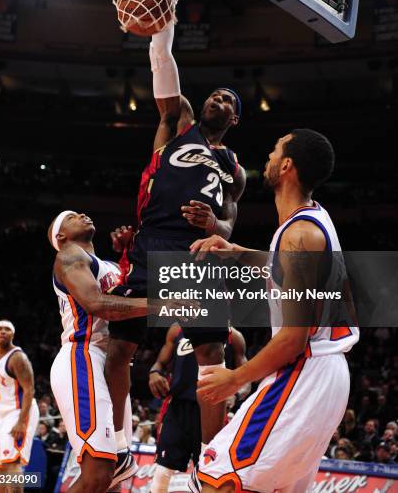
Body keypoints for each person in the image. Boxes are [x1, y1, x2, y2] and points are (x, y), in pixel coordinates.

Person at [106, 22, 246, 479]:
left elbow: (229, 222)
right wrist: (165, 18)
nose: (218, 100)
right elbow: (162, 62)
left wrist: (215, 223)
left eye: (229, 101)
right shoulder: (177, 122)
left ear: (234, 119)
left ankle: (210, 461)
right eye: (216, 95)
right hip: (152, 243)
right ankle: (118, 443)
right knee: (120, 346)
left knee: (211, 357)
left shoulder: (234, 168)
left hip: (199, 253)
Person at [190, 129, 360, 493]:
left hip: (305, 370)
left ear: (286, 166)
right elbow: (288, 269)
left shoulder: (300, 234)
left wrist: (236, 379)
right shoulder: (311, 219)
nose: (267, 156)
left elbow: (293, 338)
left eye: (274, 149)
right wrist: (235, 250)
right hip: (324, 373)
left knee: (218, 480)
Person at [48, 211, 156, 493]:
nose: (81, 214)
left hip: (112, 367)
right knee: (97, 473)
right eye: (71, 216)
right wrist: (163, 304)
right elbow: (98, 304)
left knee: (112, 477)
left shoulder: (105, 265)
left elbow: (131, 295)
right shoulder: (69, 255)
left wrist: (128, 252)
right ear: (61, 236)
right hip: (83, 356)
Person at [149, 325, 250, 493]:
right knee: (162, 472)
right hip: (179, 408)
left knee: (208, 472)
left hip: (213, 408)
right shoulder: (176, 330)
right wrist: (154, 373)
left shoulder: (235, 337)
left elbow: (246, 378)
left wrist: (236, 394)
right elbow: (160, 363)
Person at [0, 320, 39, 493]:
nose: (3, 331)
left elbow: (29, 389)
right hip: (3, 416)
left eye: (7, 329)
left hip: (18, 412)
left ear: (13, 334)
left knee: (11, 465)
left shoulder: (17, 357)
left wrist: (21, 421)